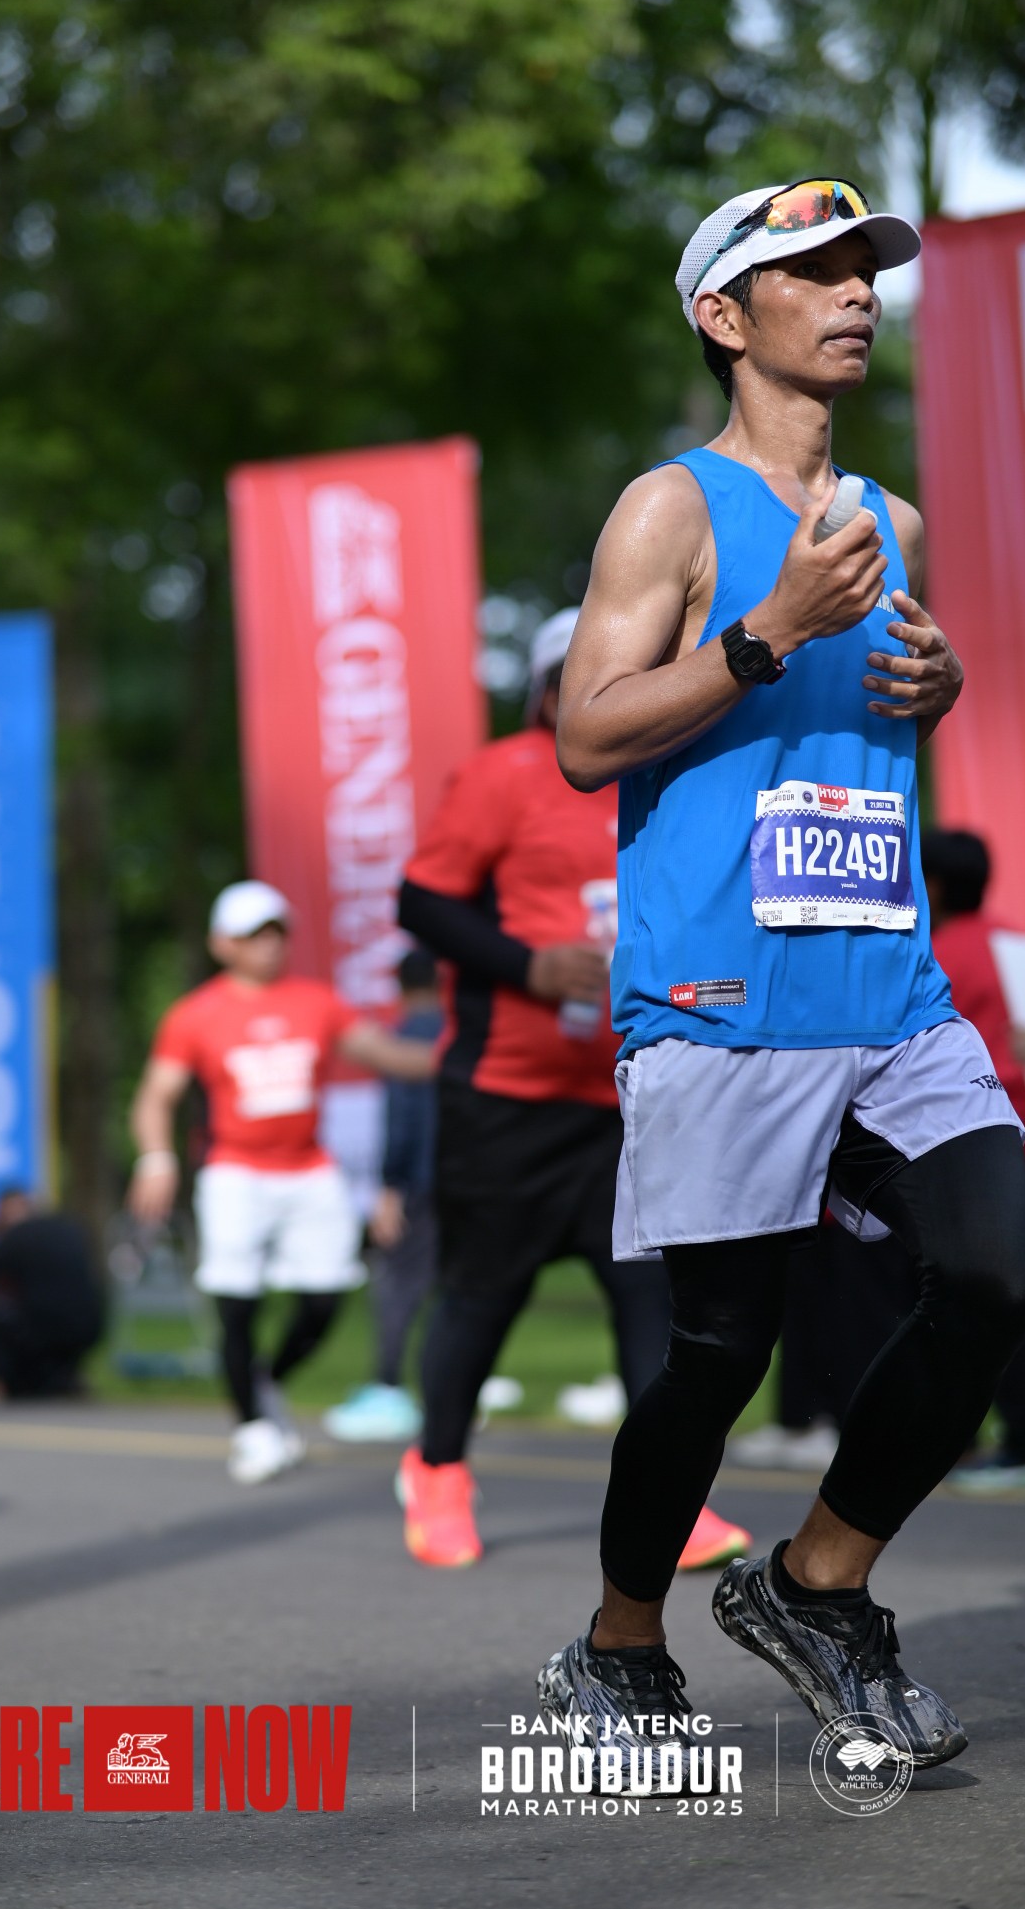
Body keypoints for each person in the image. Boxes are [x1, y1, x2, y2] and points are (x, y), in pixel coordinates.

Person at [537, 177, 1025, 1778]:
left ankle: (818, 1582)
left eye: (861, 271)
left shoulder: (893, 519)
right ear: (723, 314)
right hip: (721, 997)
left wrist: (935, 682)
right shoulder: (669, 510)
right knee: (721, 1345)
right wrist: (764, 629)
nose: (855, 293)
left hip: (888, 988)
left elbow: (866, 718)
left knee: (995, 1274)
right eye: (813, 271)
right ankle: (621, 1639)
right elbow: (584, 735)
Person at [393, 609, 751, 1570]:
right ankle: (437, 1470)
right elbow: (420, 899)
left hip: (635, 1097)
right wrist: (528, 966)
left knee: (649, 1301)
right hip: (506, 1096)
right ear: (553, 689)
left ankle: (672, 1497)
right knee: (483, 1293)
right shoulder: (504, 771)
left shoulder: (677, 778)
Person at [127, 879, 435, 1485]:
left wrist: (463, 1059)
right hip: (235, 1172)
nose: (267, 945)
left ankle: (264, 1380)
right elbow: (155, 1097)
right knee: (237, 1302)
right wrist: (156, 1159)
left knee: (325, 1298)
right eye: (252, 935)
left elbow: (388, 1053)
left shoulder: (317, 1003)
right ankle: (253, 1428)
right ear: (223, 944)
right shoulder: (195, 1014)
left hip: (309, 1169)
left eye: (275, 933)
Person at [922, 828, 1025, 1489]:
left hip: (989, 1134)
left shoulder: (936, 954)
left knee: (994, 1291)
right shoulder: (1018, 943)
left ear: (934, 885)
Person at [323, 948, 444, 1443]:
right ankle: (453, 1389)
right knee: (457, 1290)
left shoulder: (404, 1041)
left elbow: (404, 1120)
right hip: (468, 1182)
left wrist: (390, 1187)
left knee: (398, 1286)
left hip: (420, 1181)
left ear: (401, 987)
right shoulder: (461, 1034)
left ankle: (389, 1388)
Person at [0, 1188, 105, 1400]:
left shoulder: (17, 1236)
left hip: (41, 1329)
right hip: (90, 1326)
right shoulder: (69, 1228)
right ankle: (64, 1377)